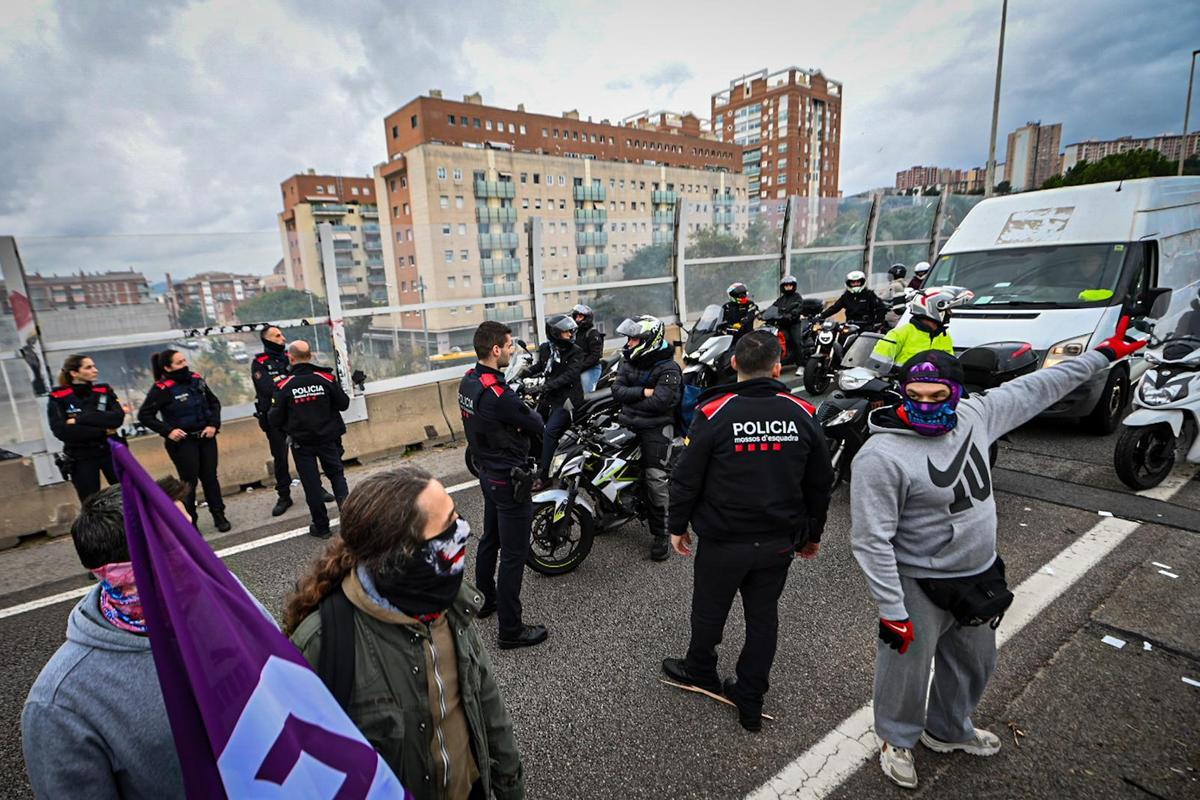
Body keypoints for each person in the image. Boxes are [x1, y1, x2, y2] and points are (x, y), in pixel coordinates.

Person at [850, 319, 1147, 789]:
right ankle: (897, 739)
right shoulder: (880, 457)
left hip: (978, 574)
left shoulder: (977, 415)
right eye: (916, 396)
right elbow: (871, 539)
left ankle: (948, 730)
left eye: (938, 396)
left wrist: (1105, 356)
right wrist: (892, 609)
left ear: (958, 394)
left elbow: (1041, 384)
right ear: (903, 393)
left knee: (974, 664)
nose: (926, 405)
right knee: (904, 673)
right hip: (918, 585)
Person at [284, 466, 524, 800]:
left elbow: (486, 700)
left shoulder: (448, 601)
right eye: (448, 528)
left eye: (459, 518)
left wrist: (510, 784)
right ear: (403, 556)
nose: (463, 533)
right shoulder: (321, 644)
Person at [663, 331, 834, 731]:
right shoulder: (804, 412)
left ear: (734, 364)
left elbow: (685, 478)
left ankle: (700, 668)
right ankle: (750, 697)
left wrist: (677, 526)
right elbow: (820, 483)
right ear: (778, 366)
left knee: (709, 610)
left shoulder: (714, 412)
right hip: (777, 542)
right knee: (763, 618)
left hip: (724, 540)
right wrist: (814, 535)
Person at [22, 478, 193, 799]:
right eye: (181, 539)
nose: (200, 549)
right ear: (130, 571)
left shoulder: (231, 602)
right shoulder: (61, 703)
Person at [458, 321, 548, 649]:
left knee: (490, 539)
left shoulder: (469, 382)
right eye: (509, 346)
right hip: (509, 478)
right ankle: (511, 629)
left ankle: (485, 600)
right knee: (514, 554)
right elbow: (535, 422)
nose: (511, 351)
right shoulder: (499, 394)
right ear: (496, 349)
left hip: (487, 472)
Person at [612, 315, 683, 561]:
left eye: (634, 338)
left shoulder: (669, 368)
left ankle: (663, 533)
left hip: (657, 426)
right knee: (601, 463)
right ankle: (609, 512)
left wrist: (632, 400)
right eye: (629, 338)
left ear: (649, 340)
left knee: (655, 478)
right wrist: (642, 391)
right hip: (628, 422)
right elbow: (616, 390)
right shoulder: (628, 359)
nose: (629, 342)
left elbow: (660, 403)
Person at [137, 349, 229, 532]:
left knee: (211, 478)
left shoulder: (196, 380)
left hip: (206, 437)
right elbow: (145, 415)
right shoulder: (162, 389)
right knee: (188, 483)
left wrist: (213, 425)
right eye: (179, 363)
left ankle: (219, 516)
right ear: (167, 367)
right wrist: (168, 431)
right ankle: (190, 523)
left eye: (184, 360)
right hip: (183, 443)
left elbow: (214, 403)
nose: (184, 364)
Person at [268, 340, 350, 539]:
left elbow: (274, 418)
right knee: (337, 477)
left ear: (291, 357)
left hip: (301, 444)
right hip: (328, 440)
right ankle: (350, 522)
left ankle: (321, 527)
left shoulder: (284, 385)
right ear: (311, 355)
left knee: (312, 485)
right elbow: (343, 404)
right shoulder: (325, 378)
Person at [252, 326, 338, 517]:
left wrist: (288, 386)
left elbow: (299, 380)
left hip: (297, 416)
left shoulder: (289, 356)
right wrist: (289, 385)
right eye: (277, 336)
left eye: (282, 334)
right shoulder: (260, 363)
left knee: (308, 454)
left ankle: (317, 489)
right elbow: (268, 388)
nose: (282, 338)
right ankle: (284, 495)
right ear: (267, 340)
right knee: (280, 458)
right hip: (275, 418)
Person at [47, 354, 126, 502]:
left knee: (126, 494)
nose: (95, 370)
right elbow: (62, 431)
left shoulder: (103, 391)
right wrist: (102, 431)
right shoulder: (59, 397)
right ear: (74, 373)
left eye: (94, 366)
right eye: (88, 367)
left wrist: (79, 420)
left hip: (110, 451)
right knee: (90, 501)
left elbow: (117, 418)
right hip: (81, 456)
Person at [527, 314, 584, 490]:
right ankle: (538, 461)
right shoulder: (546, 348)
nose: (570, 334)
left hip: (567, 399)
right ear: (554, 333)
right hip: (550, 396)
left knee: (550, 432)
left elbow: (569, 376)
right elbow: (541, 366)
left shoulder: (576, 352)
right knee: (532, 423)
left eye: (570, 330)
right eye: (566, 331)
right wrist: (524, 372)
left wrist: (543, 387)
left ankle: (546, 476)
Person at [873, 286, 973, 367]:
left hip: (935, 388)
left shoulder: (944, 337)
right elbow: (876, 367)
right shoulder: (899, 334)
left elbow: (951, 368)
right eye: (947, 310)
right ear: (932, 309)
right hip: (904, 388)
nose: (950, 313)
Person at [821, 270, 889, 329]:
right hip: (850, 326)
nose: (856, 284)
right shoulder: (846, 296)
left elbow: (881, 308)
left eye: (858, 282)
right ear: (849, 283)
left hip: (867, 327)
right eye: (853, 282)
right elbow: (834, 308)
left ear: (862, 282)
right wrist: (820, 316)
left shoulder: (869, 294)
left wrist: (876, 324)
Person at [769, 274, 807, 365]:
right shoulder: (781, 299)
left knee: (797, 342)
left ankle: (801, 364)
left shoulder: (797, 297)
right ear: (783, 287)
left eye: (790, 285)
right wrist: (763, 314)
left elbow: (799, 306)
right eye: (786, 285)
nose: (788, 287)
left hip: (794, 324)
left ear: (794, 286)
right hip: (782, 324)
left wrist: (793, 313)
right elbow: (773, 307)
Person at [572, 304, 605, 393]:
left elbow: (595, 355)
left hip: (591, 368)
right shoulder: (575, 333)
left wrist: (580, 366)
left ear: (587, 318)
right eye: (576, 317)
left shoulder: (592, 333)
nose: (577, 319)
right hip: (578, 368)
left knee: (585, 395)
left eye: (580, 317)